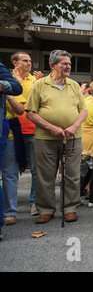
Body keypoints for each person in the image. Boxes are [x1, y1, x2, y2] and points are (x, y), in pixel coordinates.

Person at [25, 50, 87, 224]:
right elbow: (30, 112)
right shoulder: (39, 85)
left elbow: (83, 110)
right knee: (45, 175)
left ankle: (70, 208)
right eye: (64, 63)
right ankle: (45, 209)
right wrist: (51, 128)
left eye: (69, 63)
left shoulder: (74, 85)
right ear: (52, 65)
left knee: (73, 174)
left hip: (73, 138)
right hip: (45, 138)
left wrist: (74, 126)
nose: (68, 66)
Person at [11, 52, 42, 217]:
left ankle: (33, 203)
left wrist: (40, 85)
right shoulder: (7, 79)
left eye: (30, 60)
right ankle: (10, 205)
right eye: (25, 61)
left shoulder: (35, 81)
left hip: (32, 130)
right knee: (11, 171)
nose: (29, 63)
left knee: (36, 169)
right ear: (15, 63)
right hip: (12, 130)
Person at [0, 62, 23, 240]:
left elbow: (17, 89)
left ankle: (8, 213)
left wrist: (3, 87)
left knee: (10, 173)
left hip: (11, 131)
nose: (28, 63)